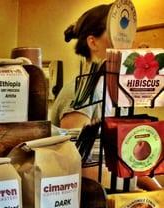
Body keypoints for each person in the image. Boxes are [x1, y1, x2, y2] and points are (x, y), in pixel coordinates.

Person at [50, 3, 162, 191]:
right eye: (116, 35)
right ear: (92, 42)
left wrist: (157, 191)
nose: (125, 44)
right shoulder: (79, 94)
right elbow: (78, 166)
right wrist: (134, 190)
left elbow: (126, 158)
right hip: (89, 204)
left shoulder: (116, 92)